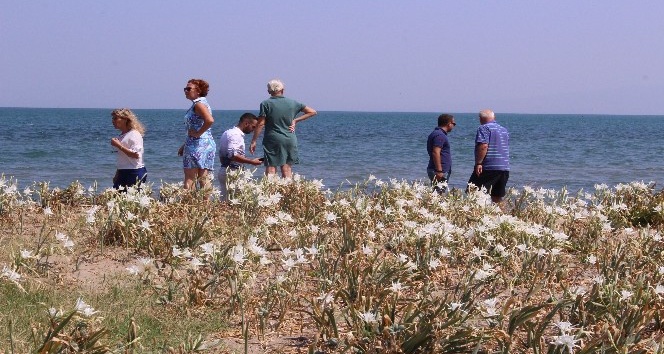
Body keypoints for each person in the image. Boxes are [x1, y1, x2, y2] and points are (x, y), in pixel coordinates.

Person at [249, 79, 317, 178]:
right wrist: (295, 120)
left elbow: (260, 124)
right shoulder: (293, 103)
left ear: (269, 91)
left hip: (273, 139)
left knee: (271, 168)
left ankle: (270, 192)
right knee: (287, 169)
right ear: (283, 90)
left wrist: (254, 141)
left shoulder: (266, 104)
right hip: (289, 138)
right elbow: (312, 112)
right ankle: (287, 192)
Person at [178, 79, 216, 190]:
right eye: (185, 89)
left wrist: (198, 134)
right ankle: (205, 206)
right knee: (203, 178)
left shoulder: (199, 104)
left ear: (198, 91)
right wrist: (185, 145)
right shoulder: (202, 103)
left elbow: (210, 120)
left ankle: (190, 205)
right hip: (205, 143)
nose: (185, 91)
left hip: (197, 144)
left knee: (190, 178)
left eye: (189, 89)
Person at [467, 109, 510, 203]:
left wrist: (479, 163)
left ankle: (477, 214)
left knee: (473, 192)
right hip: (504, 168)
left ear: (480, 119)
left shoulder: (483, 128)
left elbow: (483, 146)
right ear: (494, 117)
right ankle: (503, 216)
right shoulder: (504, 130)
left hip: (489, 167)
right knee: (497, 197)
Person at [218, 113, 263, 200]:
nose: (253, 130)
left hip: (224, 169)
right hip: (232, 172)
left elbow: (222, 154)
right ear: (246, 123)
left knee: (224, 202)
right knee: (235, 203)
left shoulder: (227, 132)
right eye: (253, 127)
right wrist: (252, 162)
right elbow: (232, 155)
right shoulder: (235, 135)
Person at [110, 108, 147, 190]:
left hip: (134, 172)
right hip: (123, 172)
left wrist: (118, 145)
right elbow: (122, 158)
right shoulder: (122, 135)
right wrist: (117, 173)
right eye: (113, 118)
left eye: (116, 118)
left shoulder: (134, 134)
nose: (113, 121)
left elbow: (136, 155)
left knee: (132, 200)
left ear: (125, 119)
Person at [427, 114, 456, 194]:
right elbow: (436, 152)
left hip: (438, 169)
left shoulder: (436, 133)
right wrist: (439, 170)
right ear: (449, 123)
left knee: (436, 194)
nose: (454, 126)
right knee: (437, 195)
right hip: (439, 171)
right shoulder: (440, 135)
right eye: (454, 124)